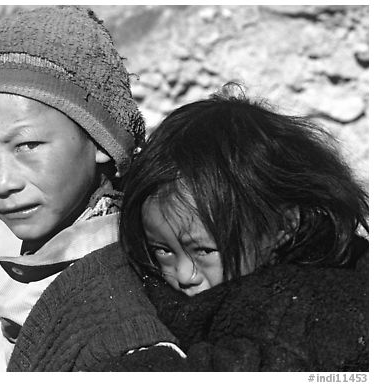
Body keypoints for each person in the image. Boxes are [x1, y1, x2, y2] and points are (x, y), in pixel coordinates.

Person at [97, 84, 369, 371]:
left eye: (203, 250)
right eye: (162, 250)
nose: (183, 275)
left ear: (283, 226)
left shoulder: (299, 312)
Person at [0, 5, 151, 368]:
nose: (1, 182)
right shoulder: (59, 266)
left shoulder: (120, 306)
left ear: (101, 141)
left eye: (27, 146)